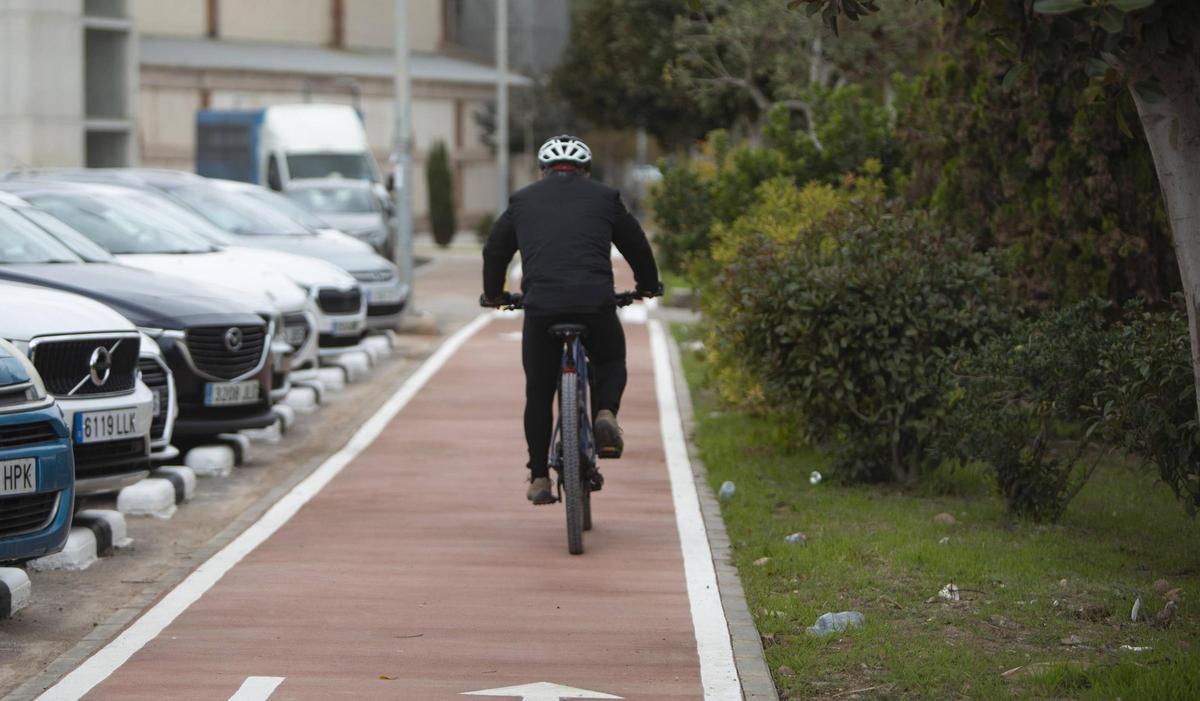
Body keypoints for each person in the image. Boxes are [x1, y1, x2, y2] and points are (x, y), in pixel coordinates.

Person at [481, 134, 662, 505]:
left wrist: (496, 295)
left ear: (543, 170)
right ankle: (605, 411)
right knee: (610, 359)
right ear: (586, 170)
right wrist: (647, 285)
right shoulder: (606, 198)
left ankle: (538, 477)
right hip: (595, 304)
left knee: (538, 391)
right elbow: (636, 245)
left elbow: (495, 249)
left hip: (541, 307)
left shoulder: (522, 201)